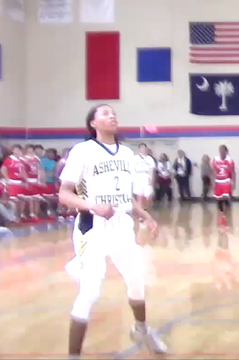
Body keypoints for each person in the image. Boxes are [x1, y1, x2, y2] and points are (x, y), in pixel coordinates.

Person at [58, 104, 166, 357]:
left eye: (113, 112)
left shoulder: (127, 154)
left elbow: (129, 196)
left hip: (121, 225)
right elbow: (64, 194)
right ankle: (73, 355)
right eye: (104, 113)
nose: (112, 115)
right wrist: (92, 205)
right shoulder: (83, 151)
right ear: (93, 123)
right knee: (90, 291)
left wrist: (146, 216)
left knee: (137, 283)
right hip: (92, 226)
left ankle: (141, 329)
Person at [2, 144, 31, 222]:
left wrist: (26, 181)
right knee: (14, 201)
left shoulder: (21, 160)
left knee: (22, 201)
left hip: (20, 182)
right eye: (16, 149)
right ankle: (13, 216)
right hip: (12, 182)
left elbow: (23, 171)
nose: (17, 151)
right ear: (13, 150)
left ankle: (20, 215)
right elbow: (3, 169)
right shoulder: (9, 159)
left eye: (19, 150)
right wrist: (7, 179)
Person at [211, 145, 235, 229]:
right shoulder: (215, 159)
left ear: (226, 151)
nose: (221, 151)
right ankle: (222, 216)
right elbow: (214, 171)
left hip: (226, 181)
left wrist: (233, 183)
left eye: (222, 150)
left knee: (226, 199)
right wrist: (213, 182)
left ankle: (226, 215)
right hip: (218, 181)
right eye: (220, 150)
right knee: (219, 200)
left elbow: (232, 172)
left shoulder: (229, 160)